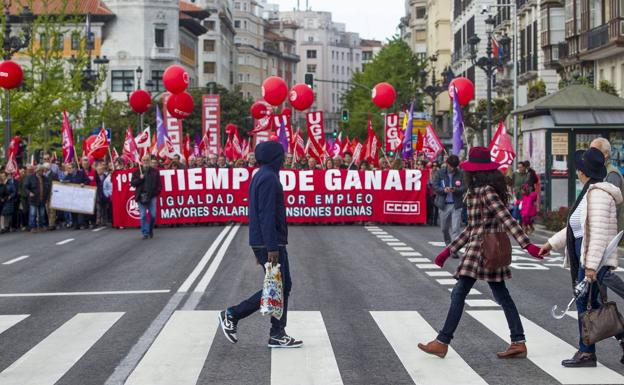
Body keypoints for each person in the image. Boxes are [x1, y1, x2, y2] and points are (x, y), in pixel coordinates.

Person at [419, 147, 542, 359]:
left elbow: (506, 219)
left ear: (474, 171)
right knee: (501, 295)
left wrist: (527, 245)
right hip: (486, 248)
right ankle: (518, 341)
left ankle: (442, 341)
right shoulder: (480, 190)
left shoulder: (484, 191)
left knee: (460, 293)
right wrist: (449, 250)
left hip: (482, 250)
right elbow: (473, 227)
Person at [539, 148, 624, 367]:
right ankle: (611, 342)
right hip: (586, 256)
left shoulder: (597, 195)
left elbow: (597, 235)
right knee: (592, 303)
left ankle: (586, 352)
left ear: (583, 171)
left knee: (584, 303)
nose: (576, 171)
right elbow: (575, 228)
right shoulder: (589, 192)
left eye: (578, 168)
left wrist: (590, 267)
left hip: (591, 259)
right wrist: (551, 244)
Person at [218, 141, 302, 349]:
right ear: (275, 157)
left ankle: (277, 332)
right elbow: (266, 215)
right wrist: (271, 247)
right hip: (270, 243)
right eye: (282, 156)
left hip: (265, 242)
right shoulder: (269, 178)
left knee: (282, 286)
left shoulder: (261, 176)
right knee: (278, 287)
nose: (284, 159)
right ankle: (233, 314)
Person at [432, 155, 465, 258]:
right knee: (444, 228)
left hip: (456, 204)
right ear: (447, 164)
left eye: (455, 167)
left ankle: (454, 249)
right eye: (451, 166)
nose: (453, 169)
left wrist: (456, 190)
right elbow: (435, 186)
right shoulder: (440, 172)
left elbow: (465, 186)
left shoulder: (461, 173)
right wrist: (443, 190)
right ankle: (448, 244)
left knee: (456, 229)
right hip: (444, 204)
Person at [591, 137, 624, 231]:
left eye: (594, 151)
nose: (590, 155)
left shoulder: (611, 174)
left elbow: (611, 208)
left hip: (609, 232)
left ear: (605, 154)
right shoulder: (599, 172)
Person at [131, 155, 162, 239]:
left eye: (147, 160)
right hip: (141, 196)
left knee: (153, 215)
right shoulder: (137, 172)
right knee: (143, 215)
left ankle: (150, 229)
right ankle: (145, 232)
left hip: (152, 196)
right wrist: (140, 179)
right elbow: (132, 184)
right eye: (144, 160)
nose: (145, 161)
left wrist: (155, 193)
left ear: (150, 161)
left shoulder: (155, 171)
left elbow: (159, 185)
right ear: (141, 161)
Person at [24, 165, 51, 233]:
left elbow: (48, 188)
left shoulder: (45, 178)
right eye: (41, 170)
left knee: (42, 214)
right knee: (33, 214)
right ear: (37, 171)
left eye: (43, 170)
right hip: (33, 199)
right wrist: (29, 193)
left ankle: (41, 226)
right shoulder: (30, 177)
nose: (42, 172)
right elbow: (25, 187)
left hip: (42, 199)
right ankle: (32, 227)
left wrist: (47, 196)